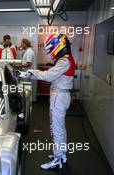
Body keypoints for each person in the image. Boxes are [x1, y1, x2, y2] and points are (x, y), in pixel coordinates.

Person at [18, 32, 76, 170]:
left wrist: (30, 73)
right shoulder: (66, 59)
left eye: (51, 48)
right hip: (61, 96)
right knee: (60, 128)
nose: (50, 51)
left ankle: (58, 159)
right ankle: (61, 155)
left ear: (58, 45)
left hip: (59, 97)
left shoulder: (64, 60)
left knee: (56, 129)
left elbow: (49, 76)